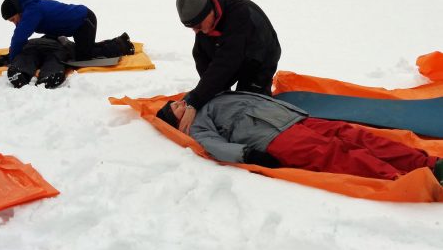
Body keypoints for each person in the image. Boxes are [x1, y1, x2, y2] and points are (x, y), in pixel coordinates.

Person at [156, 92, 443, 183]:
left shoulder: (207, 97)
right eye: (176, 108)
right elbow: (212, 146)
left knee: (358, 136)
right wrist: (247, 155)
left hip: (293, 118)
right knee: (335, 154)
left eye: (178, 101)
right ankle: (407, 180)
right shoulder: (197, 126)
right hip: (270, 137)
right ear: (177, 123)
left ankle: (429, 163)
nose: (181, 103)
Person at [175, 0, 281, 134]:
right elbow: (202, 57)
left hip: (260, 56)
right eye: (192, 28)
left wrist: (195, 103)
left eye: (198, 26)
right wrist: (205, 95)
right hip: (231, 53)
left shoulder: (239, 14)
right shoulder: (205, 20)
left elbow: (226, 63)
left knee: (249, 106)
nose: (196, 31)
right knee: (218, 96)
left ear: (209, 11)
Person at [0, 32, 135, 89]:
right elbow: (90, 50)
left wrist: (5, 58)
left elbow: (16, 51)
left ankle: (19, 71)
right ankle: (49, 76)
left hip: (31, 46)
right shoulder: (62, 41)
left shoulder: (33, 41)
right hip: (56, 48)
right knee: (55, 59)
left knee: (26, 57)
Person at [0, 0, 99, 62]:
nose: (14, 23)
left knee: (84, 59)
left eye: (13, 19)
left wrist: (11, 59)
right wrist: (12, 51)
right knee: (48, 48)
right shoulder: (26, 10)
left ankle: (114, 46)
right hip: (69, 27)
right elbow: (19, 35)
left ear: (17, 10)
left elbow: (19, 37)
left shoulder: (32, 11)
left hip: (84, 21)